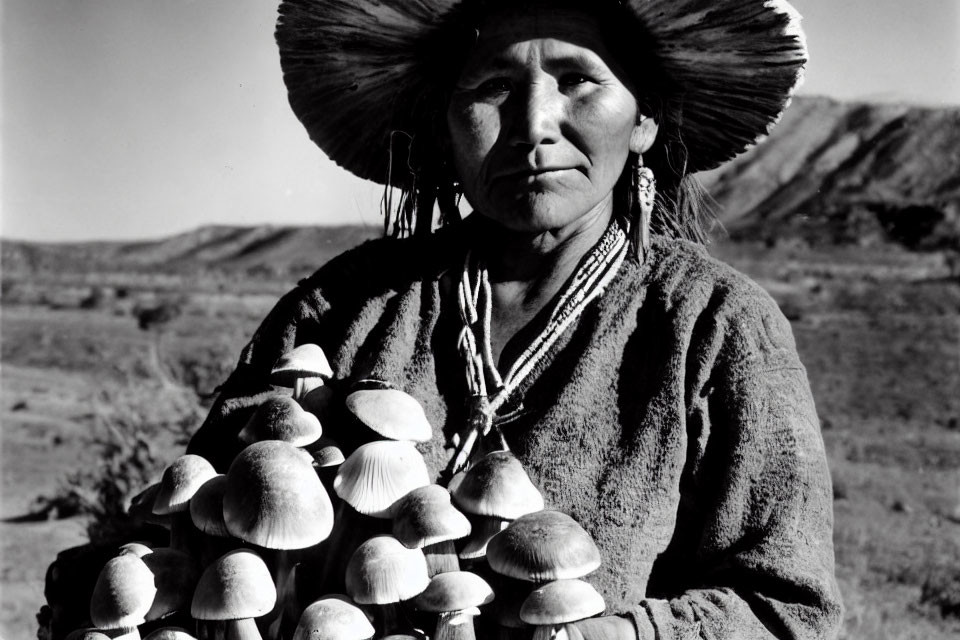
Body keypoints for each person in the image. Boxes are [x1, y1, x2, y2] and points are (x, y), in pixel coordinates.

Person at [187, 0, 843, 638]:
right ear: (443, 118)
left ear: (645, 117)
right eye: (494, 85)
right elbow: (192, 534)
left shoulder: (715, 325)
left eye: (578, 79)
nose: (536, 122)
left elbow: (787, 610)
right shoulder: (342, 308)